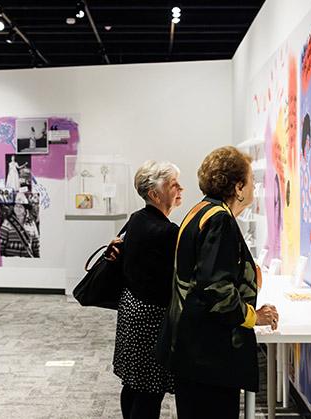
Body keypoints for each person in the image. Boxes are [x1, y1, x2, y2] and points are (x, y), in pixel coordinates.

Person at [158, 146, 279, 419]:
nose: (254, 186)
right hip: (207, 355)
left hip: (189, 348)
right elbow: (218, 290)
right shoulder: (220, 220)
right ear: (238, 187)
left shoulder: (200, 211)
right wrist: (254, 317)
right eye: (251, 180)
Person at [109, 160, 184, 419]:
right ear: (155, 193)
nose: (180, 189)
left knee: (132, 383)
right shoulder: (168, 232)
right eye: (174, 184)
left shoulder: (137, 219)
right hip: (152, 317)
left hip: (132, 310)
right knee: (150, 391)